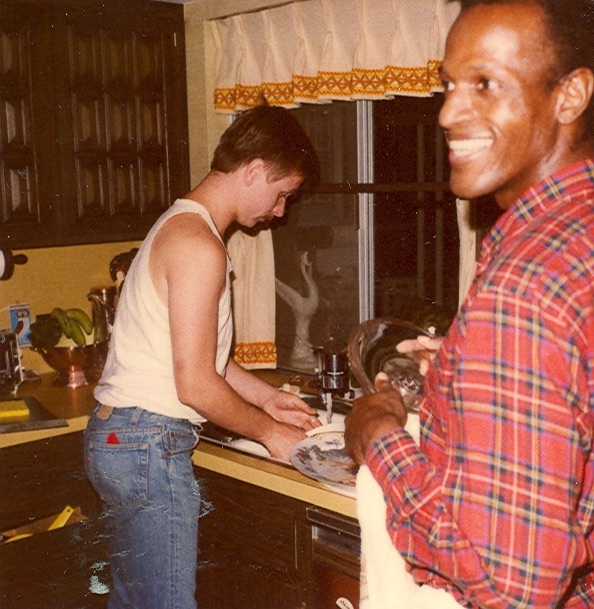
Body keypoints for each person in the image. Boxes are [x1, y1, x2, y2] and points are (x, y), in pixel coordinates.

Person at [344, 0, 594, 607]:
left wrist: (378, 433)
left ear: (570, 95)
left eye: (486, 83)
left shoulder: (522, 288)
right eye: (448, 85)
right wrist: (464, 369)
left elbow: (508, 588)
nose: (448, 112)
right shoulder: (576, 234)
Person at [84, 104, 322, 609]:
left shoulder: (180, 226)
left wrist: (268, 398)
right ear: (254, 170)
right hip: (147, 443)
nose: (280, 210)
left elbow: (201, 355)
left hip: (123, 438)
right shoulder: (199, 246)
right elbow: (194, 383)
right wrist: (271, 433)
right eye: (282, 194)